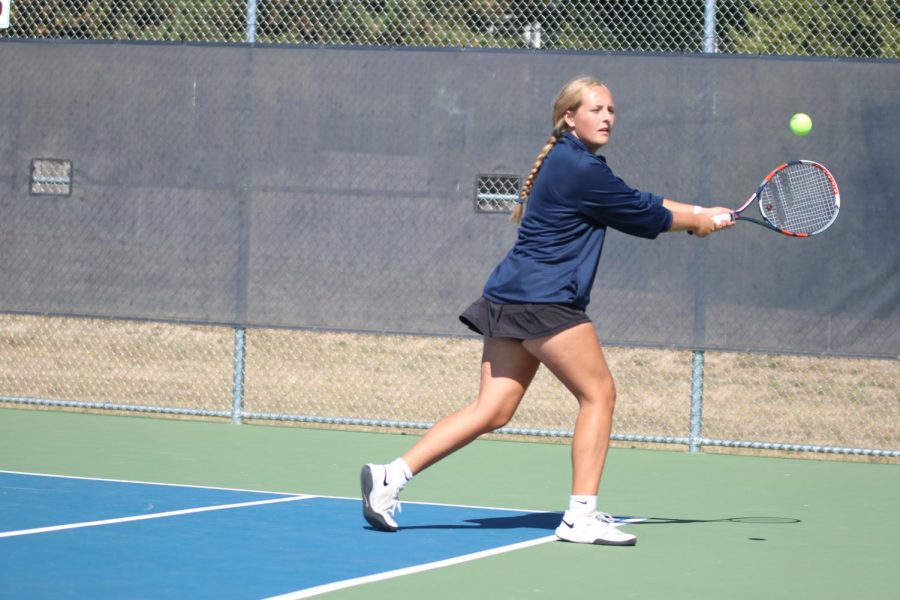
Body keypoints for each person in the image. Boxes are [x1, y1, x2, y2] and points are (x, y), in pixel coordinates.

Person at [361, 76, 733, 546]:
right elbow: (644, 212)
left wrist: (701, 213)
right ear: (568, 117)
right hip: (545, 301)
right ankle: (580, 516)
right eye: (596, 109)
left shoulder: (571, 162)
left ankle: (390, 478)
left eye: (611, 110)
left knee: (492, 409)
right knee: (599, 394)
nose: (607, 118)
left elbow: (641, 200)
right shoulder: (580, 169)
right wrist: (696, 222)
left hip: (510, 296)